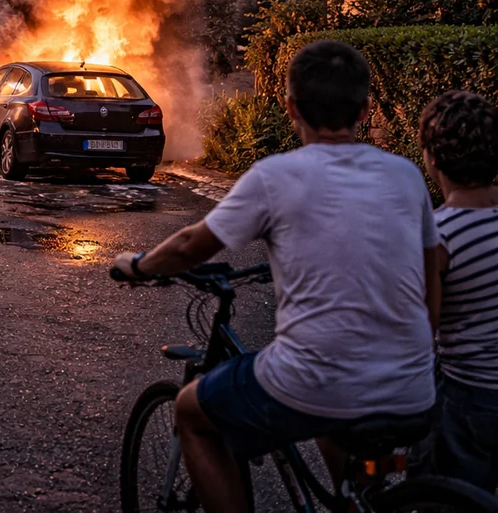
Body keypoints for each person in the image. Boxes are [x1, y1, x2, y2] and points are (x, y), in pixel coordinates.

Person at [111, 40, 437, 513]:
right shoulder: (405, 175)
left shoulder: (275, 176)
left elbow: (190, 245)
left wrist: (138, 265)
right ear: (367, 109)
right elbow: (431, 281)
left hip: (313, 380)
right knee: (334, 423)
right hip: (412, 386)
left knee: (190, 410)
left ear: (289, 108)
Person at [419, 90, 498, 492]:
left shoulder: (440, 236)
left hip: (470, 395)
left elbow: (425, 323)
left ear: (432, 160)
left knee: (452, 494)